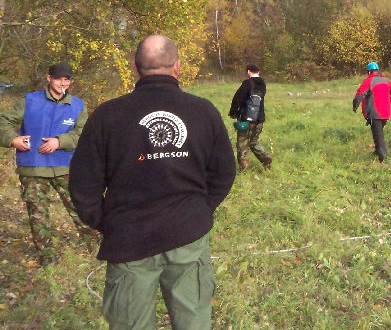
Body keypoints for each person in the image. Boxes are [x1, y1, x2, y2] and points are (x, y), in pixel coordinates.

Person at [69, 35, 236, 330]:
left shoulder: (106, 116)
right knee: (193, 323)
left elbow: (83, 184)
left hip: (131, 237)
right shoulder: (203, 111)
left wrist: (107, 221)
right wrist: (197, 209)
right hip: (182, 236)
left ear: (135, 68)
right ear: (177, 67)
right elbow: (223, 173)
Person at [0, 62, 98, 266]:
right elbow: (4, 121)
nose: (63, 83)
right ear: (49, 78)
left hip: (65, 167)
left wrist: (59, 142)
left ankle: (96, 247)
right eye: (59, 78)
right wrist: (13, 139)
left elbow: (82, 134)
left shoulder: (78, 105)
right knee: (38, 215)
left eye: (67, 79)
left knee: (81, 207)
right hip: (33, 167)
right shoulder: (29, 101)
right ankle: (48, 260)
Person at [352, 62, 391, 163]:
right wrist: (389, 102)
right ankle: (377, 151)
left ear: (369, 72)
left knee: (378, 135)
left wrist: (355, 106)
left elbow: (360, 95)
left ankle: (384, 159)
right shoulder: (387, 81)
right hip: (386, 113)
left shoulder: (369, 81)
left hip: (375, 113)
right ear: (377, 70)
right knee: (378, 132)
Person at [228, 63, 271, 172]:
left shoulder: (247, 83)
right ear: (259, 72)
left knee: (242, 144)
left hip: (246, 120)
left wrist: (233, 112)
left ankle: (244, 169)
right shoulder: (263, 84)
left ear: (248, 71)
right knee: (254, 142)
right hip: (259, 119)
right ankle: (265, 158)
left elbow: (237, 99)